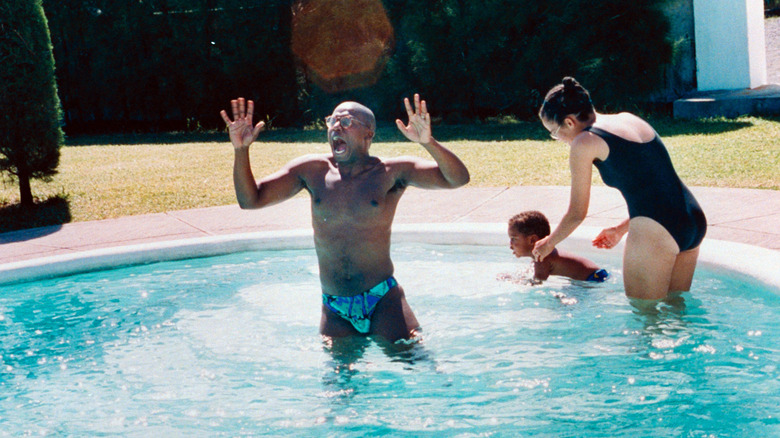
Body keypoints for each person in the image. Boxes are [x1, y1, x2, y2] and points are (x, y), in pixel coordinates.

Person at [219, 94, 470, 342]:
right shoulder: (311, 171)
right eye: (332, 121)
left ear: (368, 134)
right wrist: (241, 150)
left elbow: (457, 179)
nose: (336, 127)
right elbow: (249, 201)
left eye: (346, 122)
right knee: (340, 381)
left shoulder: (390, 172)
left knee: (415, 364)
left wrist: (429, 143)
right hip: (334, 306)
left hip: (383, 299)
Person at [533, 77, 706, 301]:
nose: (558, 139)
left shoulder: (584, 142)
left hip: (657, 231)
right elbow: (658, 187)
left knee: (645, 320)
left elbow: (577, 213)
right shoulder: (628, 119)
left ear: (569, 122)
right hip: (692, 219)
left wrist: (549, 243)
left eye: (554, 133)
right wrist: (621, 229)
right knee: (677, 312)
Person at [501, 210, 609, 284]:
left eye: (514, 239)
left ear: (532, 240)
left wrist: (513, 281)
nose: (510, 244)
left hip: (593, 279)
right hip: (596, 275)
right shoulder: (543, 255)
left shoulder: (542, 257)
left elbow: (537, 282)